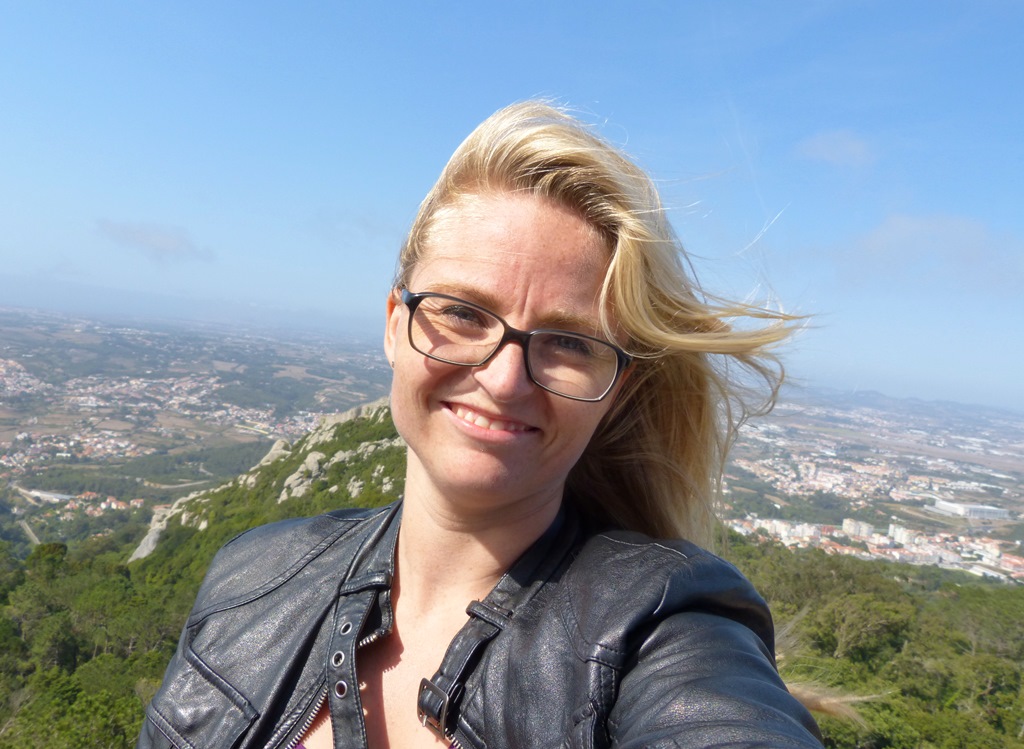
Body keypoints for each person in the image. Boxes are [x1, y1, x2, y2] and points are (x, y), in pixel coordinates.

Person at [137, 101, 823, 748]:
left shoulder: (664, 631)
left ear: (617, 389)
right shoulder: (250, 577)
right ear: (394, 325)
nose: (503, 378)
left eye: (570, 342)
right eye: (463, 313)